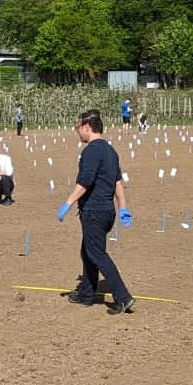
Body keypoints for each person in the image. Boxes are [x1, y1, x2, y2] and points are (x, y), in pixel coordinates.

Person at [58, 109, 134, 314]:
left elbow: (85, 181)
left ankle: (123, 297)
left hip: (94, 210)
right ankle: (86, 294)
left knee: (97, 254)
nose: (77, 132)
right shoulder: (111, 151)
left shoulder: (91, 151)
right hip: (107, 211)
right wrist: (123, 207)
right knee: (87, 252)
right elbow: (118, 181)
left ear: (87, 127)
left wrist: (68, 203)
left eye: (78, 127)